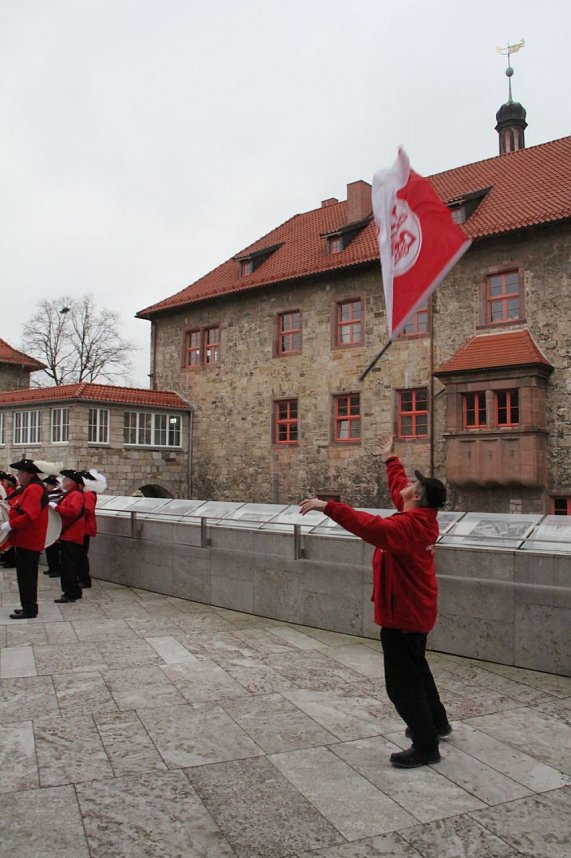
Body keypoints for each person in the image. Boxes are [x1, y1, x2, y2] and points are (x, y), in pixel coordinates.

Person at [300, 433, 451, 768]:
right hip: (415, 611)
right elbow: (400, 490)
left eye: (414, 485)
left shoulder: (409, 527)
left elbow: (371, 527)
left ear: (418, 498)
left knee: (401, 684)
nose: (408, 485)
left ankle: (426, 745)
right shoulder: (419, 517)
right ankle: (437, 723)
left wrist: (329, 507)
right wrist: (390, 458)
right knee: (418, 669)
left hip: (404, 615)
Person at [1, 459, 49, 620]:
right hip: (25, 538)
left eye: (20, 472)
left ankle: (29, 609)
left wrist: (11, 524)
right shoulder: (31, 487)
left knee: (27, 577)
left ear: (28, 474)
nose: (18, 475)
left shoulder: (34, 489)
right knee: (25, 576)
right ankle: (27, 606)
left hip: (29, 539)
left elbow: (30, 515)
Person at [53, 469, 86, 603]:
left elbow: (72, 512)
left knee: (68, 565)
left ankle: (70, 592)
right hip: (69, 533)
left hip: (71, 534)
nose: (63, 481)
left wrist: (56, 508)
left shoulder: (75, 495)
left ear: (71, 482)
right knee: (69, 564)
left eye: (65, 479)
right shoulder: (71, 494)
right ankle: (74, 590)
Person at [0, 472, 18, 569]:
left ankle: (11, 561)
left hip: (11, 518)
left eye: (4, 482)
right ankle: (7, 559)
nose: (3, 484)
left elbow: (13, 503)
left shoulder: (12, 492)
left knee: (9, 541)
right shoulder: (9, 492)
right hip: (8, 517)